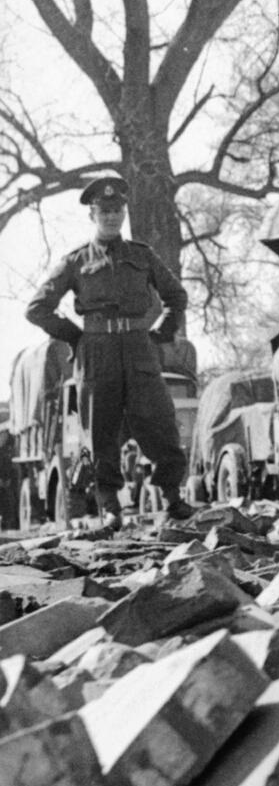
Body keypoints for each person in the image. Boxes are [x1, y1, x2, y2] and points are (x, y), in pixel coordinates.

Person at [24, 172, 191, 529]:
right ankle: (111, 507)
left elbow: (176, 297)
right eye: (104, 211)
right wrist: (75, 336)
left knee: (159, 422)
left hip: (138, 348)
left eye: (117, 210)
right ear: (92, 216)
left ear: (125, 213)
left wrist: (163, 330)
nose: (112, 216)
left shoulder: (142, 256)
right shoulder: (75, 261)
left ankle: (173, 498)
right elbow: (36, 307)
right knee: (101, 431)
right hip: (96, 353)